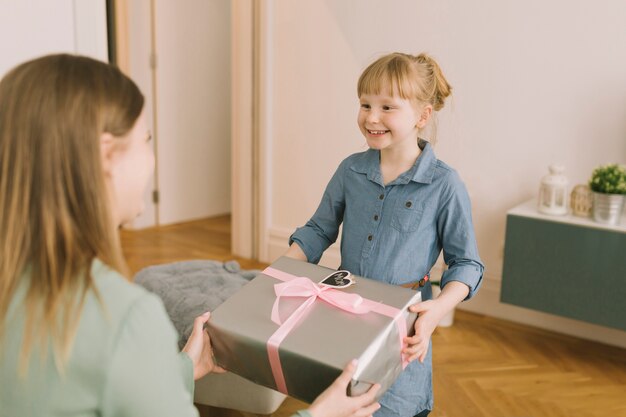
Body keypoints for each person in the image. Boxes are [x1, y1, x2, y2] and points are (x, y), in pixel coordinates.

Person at [0, 54, 380, 417]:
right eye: (145, 140)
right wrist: (320, 412)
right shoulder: (125, 318)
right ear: (106, 157)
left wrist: (181, 368)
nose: (151, 158)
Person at [285, 52, 484, 417]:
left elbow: (467, 263)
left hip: (403, 329)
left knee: (393, 407)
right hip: (344, 315)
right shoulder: (350, 171)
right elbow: (318, 230)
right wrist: (279, 272)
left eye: (387, 107)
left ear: (422, 116)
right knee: (342, 402)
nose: (371, 118)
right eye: (365, 104)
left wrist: (437, 309)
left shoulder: (444, 184)